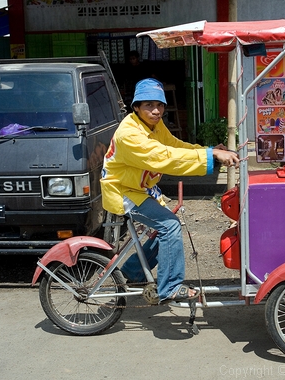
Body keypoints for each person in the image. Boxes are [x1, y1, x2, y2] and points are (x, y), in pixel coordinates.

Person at [100, 78, 239, 303]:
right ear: (136, 107)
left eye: (160, 105)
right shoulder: (130, 133)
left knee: (163, 228)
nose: (156, 111)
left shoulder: (153, 125)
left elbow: (174, 146)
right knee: (170, 226)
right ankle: (170, 287)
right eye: (149, 106)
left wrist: (208, 151)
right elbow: (164, 158)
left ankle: (133, 272)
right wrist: (210, 156)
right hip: (123, 192)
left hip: (140, 189)